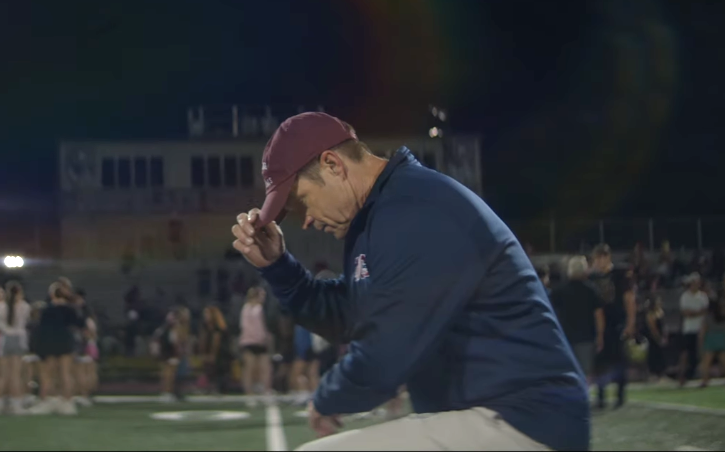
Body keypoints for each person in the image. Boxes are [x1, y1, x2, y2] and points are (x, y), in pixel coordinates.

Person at [230, 112, 587, 451]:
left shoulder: (414, 209)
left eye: (303, 201)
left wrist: (329, 398)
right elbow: (348, 316)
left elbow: (385, 351)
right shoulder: (389, 211)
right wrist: (279, 267)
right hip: (496, 417)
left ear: (333, 165)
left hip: (522, 422)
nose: (307, 221)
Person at [589, 244, 636, 410]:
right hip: (599, 324)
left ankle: (620, 395)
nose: (597, 262)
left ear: (606, 257)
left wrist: (630, 323)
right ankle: (601, 396)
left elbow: (629, 299)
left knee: (618, 360)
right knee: (600, 361)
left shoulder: (619, 275)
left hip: (617, 322)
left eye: (599, 258)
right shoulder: (592, 278)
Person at [29, 282, 84, 415]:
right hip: (65, 341)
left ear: (52, 295)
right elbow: (79, 324)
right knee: (66, 373)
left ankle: (47, 401)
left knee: (48, 374)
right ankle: (68, 403)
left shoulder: (46, 309)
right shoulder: (70, 309)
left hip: (50, 342)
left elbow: (40, 328)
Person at [549, 256, 604, 381]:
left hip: (565, 337)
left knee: (567, 372)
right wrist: (600, 335)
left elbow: (551, 313)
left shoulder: (559, 291)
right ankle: (584, 398)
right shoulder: (591, 290)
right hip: (586, 338)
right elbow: (599, 315)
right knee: (586, 374)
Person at [0, 281, 31, 415]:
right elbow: (25, 321)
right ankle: (16, 405)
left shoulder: (1, 306)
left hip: (4, 339)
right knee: (15, 374)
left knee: (2, 374)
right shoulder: (24, 306)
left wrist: (6, 328)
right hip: (18, 339)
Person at [699, 272, 725, 387]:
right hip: (722, 337)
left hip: (711, 337)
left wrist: (701, 341)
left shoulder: (708, 316)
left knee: (706, 362)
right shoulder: (724, 316)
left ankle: (705, 381)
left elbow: (703, 329)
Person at [238, 286, 272, 407]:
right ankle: (249, 395)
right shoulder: (247, 309)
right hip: (250, 342)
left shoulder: (259, 308)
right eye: (261, 295)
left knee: (264, 368)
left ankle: (265, 392)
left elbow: (262, 325)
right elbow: (247, 327)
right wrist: (260, 338)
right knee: (249, 369)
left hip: (260, 342)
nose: (263, 298)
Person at [676, 273, 708, 386]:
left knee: (702, 354)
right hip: (688, 330)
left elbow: (706, 313)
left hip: (701, 329)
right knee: (684, 354)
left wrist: (694, 313)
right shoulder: (685, 296)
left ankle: (704, 379)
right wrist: (699, 312)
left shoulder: (703, 297)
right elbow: (686, 313)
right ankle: (681, 377)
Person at [198, 305, 230, 395]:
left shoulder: (219, 327)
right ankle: (208, 388)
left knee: (219, 369)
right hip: (209, 352)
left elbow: (216, 343)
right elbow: (203, 341)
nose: (205, 316)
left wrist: (212, 355)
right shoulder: (205, 326)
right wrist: (203, 354)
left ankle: (220, 389)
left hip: (221, 353)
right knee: (208, 369)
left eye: (207, 313)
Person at [643, 295, 668, 383]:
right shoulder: (650, 314)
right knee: (654, 354)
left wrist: (664, 336)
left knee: (662, 355)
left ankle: (662, 373)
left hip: (662, 336)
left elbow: (664, 326)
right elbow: (653, 328)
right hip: (654, 338)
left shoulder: (660, 312)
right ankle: (653, 374)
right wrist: (658, 338)